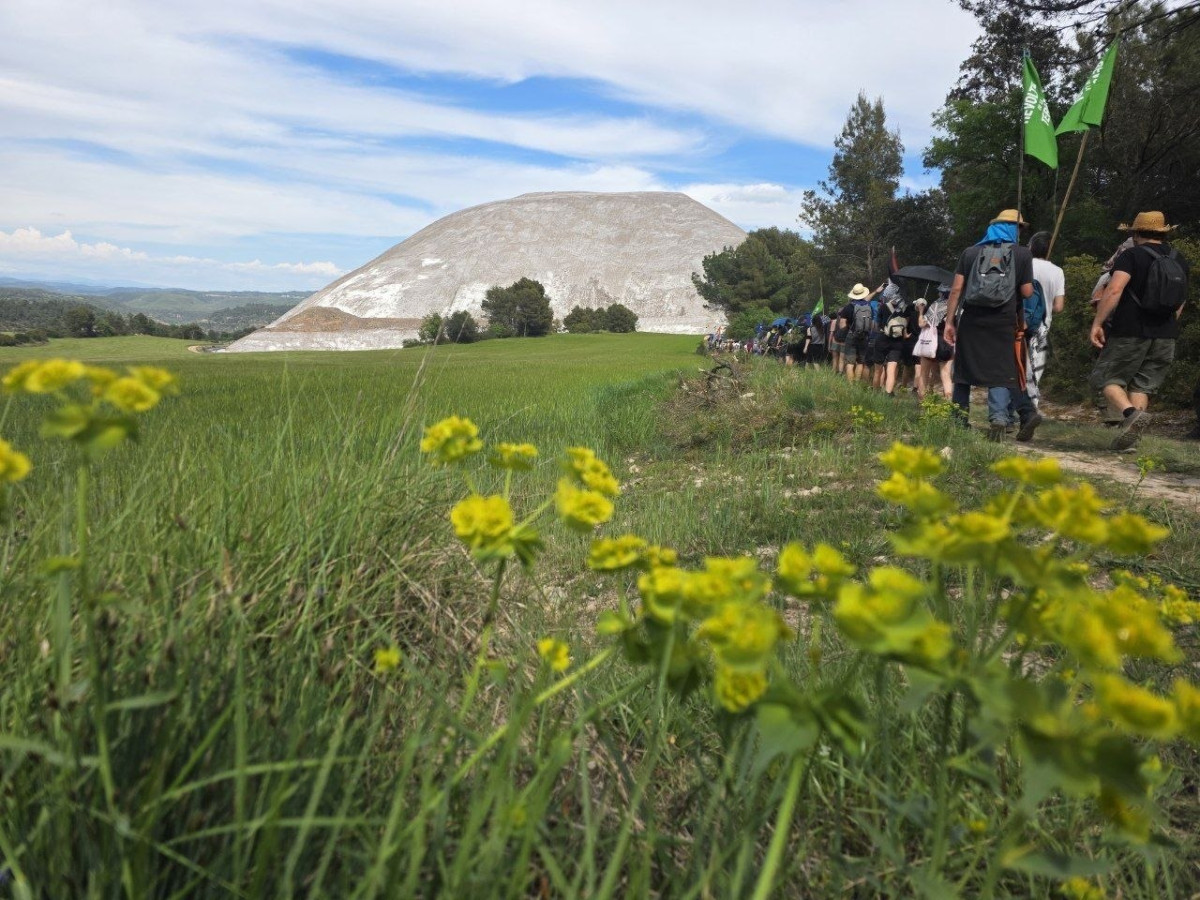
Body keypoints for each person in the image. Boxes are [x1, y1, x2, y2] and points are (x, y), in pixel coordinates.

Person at [1089, 211, 1190, 451]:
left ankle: (1131, 414)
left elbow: (1114, 290)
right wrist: (1167, 323)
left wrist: (1097, 323)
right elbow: (1181, 300)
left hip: (1130, 330)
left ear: (1135, 233)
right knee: (1141, 386)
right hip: (1165, 333)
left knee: (1106, 378)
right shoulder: (1179, 259)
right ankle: (1130, 440)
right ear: (1163, 233)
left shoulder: (1131, 256)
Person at [943, 209, 1042, 441]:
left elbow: (956, 289)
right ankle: (999, 418)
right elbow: (1027, 292)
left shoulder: (970, 252)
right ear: (1014, 229)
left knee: (963, 369)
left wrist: (949, 321)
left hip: (972, 320)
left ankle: (958, 419)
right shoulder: (1022, 253)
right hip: (1004, 320)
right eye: (1019, 228)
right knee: (1002, 370)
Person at [1026, 231, 1066, 407]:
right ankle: (1031, 406)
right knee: (1035, 366)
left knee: (1015, 364)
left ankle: (1010, 407)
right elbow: (1059, 306)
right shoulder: (1057, 271)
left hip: (1018, 322)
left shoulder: (1024, 265)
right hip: (1042, 326)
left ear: (1031, 247)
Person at [875, 280, 918, 395]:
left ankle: (875, 392)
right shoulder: (905, 308)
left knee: (878, 369)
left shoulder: (883, 307)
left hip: (883, 338)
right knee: (892, 368)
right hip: (897, 341)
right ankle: (889, 392)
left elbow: (877, 324)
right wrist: (905, 334)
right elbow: (905, 324)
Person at [837, 283, 876, 382]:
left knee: (850, 363)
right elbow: (871, 324)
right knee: (860, 362)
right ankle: (857, 382)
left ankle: (851, 386)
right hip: (864, 337)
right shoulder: (869, 306)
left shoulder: (848, 307)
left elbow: (842, 325)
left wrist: (846, 331)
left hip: (851, 336)